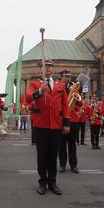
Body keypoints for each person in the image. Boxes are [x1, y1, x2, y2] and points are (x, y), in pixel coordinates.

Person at [26, 59, 70, 195]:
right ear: (41, 69)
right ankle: (42, 182)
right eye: (45, 67)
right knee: (42, 156)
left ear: (53, 70)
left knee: (53, 155)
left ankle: (53, 182)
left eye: (50, 67)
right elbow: (27, 98)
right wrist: (40, 91)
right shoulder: (35, 83)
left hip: (56, 125)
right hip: (41, 125)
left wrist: (66, 123)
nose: (48, 69)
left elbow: (65, 105)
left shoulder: (60, 85)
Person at [58, 69, 81, 174]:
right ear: (61, 77)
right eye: (66, 76)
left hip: (74, 120)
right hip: (62, 119)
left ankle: (74, 165)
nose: (68, 78)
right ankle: (62, 164)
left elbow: (79, 104)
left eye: (69, 76)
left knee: (72, 144)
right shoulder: (58, 87)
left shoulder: (74, 88)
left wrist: (79, 99)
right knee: (62, 144)